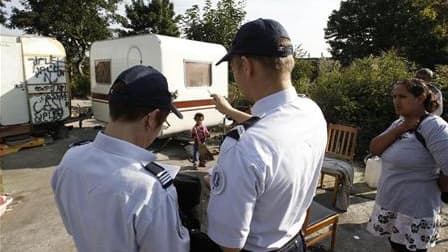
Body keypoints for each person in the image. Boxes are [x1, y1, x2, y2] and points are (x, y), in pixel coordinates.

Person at [207, 18, 328, 252]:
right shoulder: (312, 111)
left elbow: (229, 245)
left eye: (232, 68)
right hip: (295, 240)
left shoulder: (242, 146)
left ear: (246, 65)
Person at [51, 65, 190, 252]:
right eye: (162, 123)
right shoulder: (151, 189)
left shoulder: (70, 160)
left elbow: (73, 227)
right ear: (151, 118)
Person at [367, 78, 448, 252]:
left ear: (421, 98)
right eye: (394, 96)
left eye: (402, 96)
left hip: (414, 212)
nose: (396, 101)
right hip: (390, 205)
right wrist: (402, 127)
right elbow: (375, 148)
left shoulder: (434, 126)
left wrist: (442, 185)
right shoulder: (399, 123)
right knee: (395, 247)